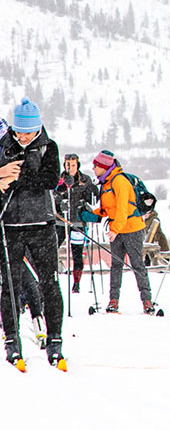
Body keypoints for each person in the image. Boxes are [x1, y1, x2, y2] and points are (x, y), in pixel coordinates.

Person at [0, 99, 64, 368]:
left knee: (48, 282)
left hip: (42, 224)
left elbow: (50, 180)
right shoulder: (4, 145)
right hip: (10, 225)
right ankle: (12, 340)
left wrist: (19, 176)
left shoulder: (49, 146)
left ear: (38, 129)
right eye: (19, 131)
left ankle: (55, 339)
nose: (22, 136)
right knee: (11, 286)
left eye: (28, 132)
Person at [90, 150, 155, 315]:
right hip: (117, 229)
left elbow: (123, 209)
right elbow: (109, 209)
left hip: (132, 228)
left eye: (96, 166)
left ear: (104, 167)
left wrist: (115, 230)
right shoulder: (106, 183)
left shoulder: (119, 181)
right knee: (116, 265)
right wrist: (91, 213)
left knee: (137, 264)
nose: (93, 168)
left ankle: (147, 301)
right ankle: (114, 301)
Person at [55, 153, 96, 293]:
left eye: (73, 165)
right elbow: (51, 197)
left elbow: (91, 199)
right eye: (68, 165)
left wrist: (91, 194)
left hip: (78, 222)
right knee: (51, 249)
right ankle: (52, 278)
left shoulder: (85, 180)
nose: (70, 168)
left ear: (77, 165)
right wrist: (60, 202)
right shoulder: (57, 180)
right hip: (60, 221)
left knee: (77, 253)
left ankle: (76, 282)